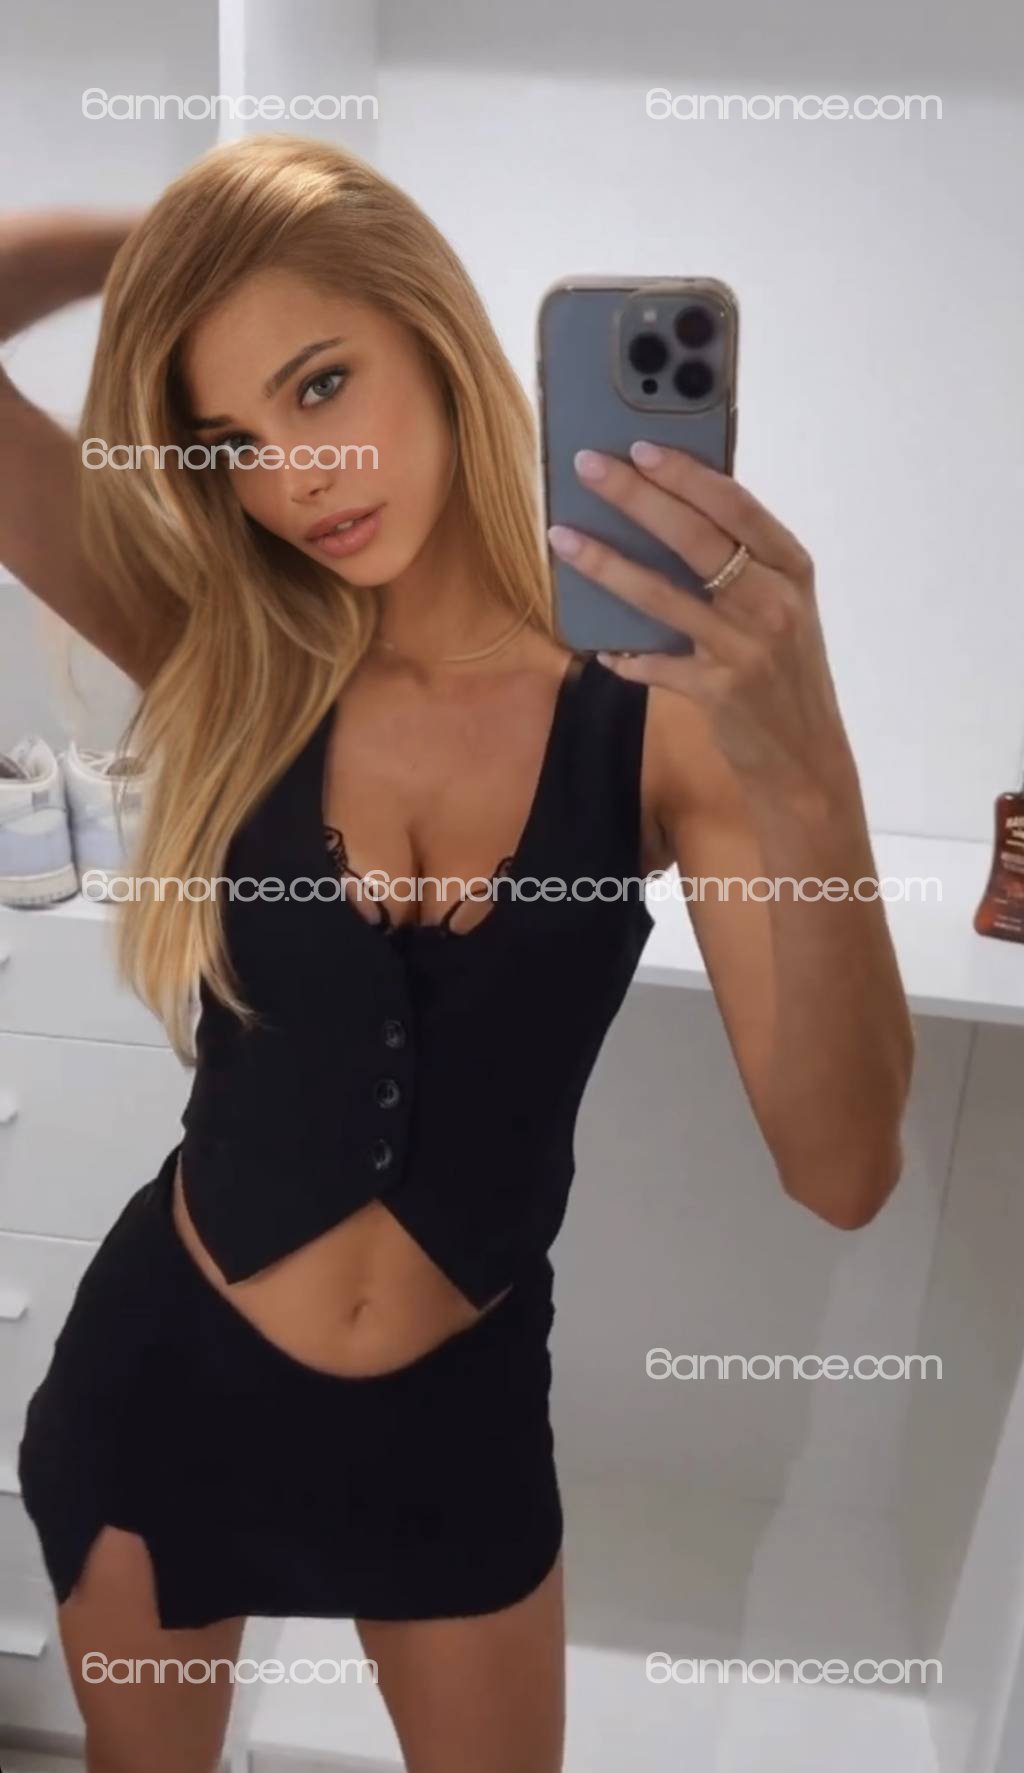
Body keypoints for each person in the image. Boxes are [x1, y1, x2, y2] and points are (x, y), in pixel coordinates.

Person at [0, 134, 914, 1773]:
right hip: (165, 1381)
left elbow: (842, 1170)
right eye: (235, 440)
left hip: (455, 1427)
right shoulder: (224, 647)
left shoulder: (653, 724)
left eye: (321, 381)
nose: (299, 475)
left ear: (431, 330)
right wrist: (184, 231)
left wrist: (809, 760)